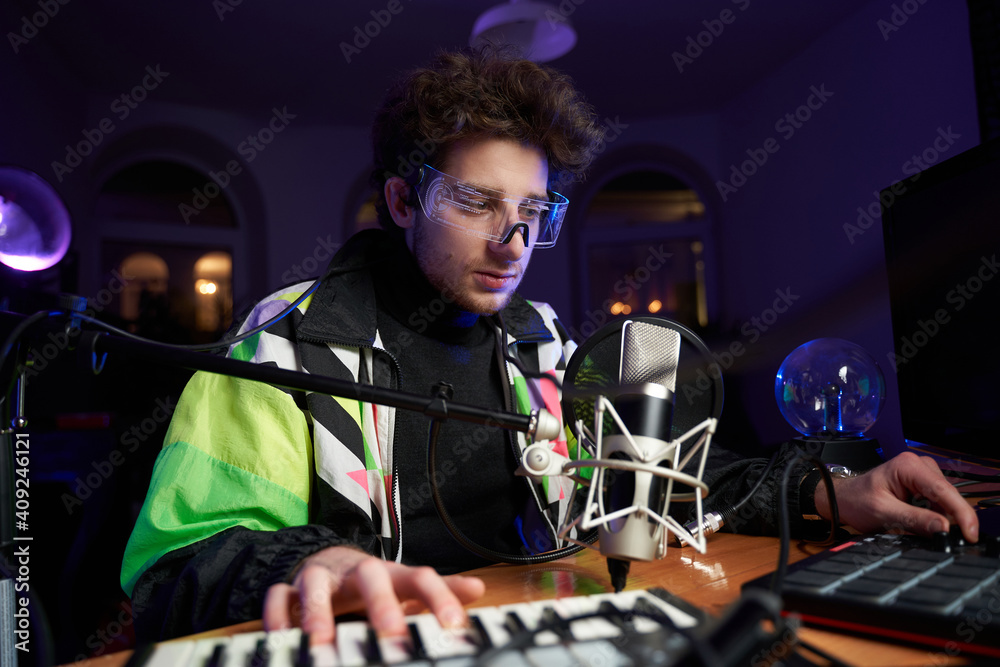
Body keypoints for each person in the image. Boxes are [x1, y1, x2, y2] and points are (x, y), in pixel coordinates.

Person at [120, 46, 978, 646]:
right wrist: (321, 563)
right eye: (478, 203)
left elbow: (661, 481)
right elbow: (175, 569)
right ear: (402, 199)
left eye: (533, 213)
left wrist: (835, 489)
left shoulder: (547, 346)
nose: (513, 241)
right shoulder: (282, 345)